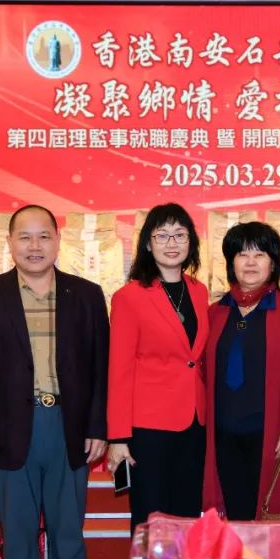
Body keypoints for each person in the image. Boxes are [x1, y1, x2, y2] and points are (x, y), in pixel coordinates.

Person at [0, 204, 109, 559]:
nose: (35, 246)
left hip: (68, 427)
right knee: (19, 531)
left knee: (68, 530)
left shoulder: (87, 295)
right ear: (10, 243)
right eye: (25, 237)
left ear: (58, 241)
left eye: (44, 236)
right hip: (9, 429)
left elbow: (101, 368)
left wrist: (98, 426)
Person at [203, 222, 280, 522]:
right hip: (223, 438)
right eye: (242, 254)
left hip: (274, 437)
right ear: (231, 263)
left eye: (259, 254)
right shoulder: (215, 312)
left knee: (271, 523)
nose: (251, 262)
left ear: (274, 262)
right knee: (234, 522)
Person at [107, 203, 209, 533]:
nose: (171, 243)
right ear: (148, 244)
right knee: (150, 516)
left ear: (191, 241)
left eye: (180, 235)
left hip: (194, 422)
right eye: (162, 235)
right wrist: (118, 437)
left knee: (186, 513)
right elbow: (119, 370)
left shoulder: (199, 291)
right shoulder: (129, 297)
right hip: (148, 427)